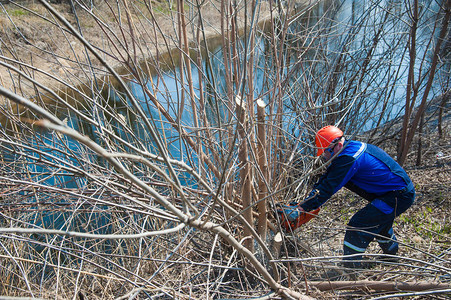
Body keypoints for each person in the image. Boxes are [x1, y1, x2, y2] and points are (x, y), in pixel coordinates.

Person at [282, 125, 416, 268]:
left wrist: (302, 208)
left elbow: (329, 187)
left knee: (358, 225)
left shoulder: (349, 159)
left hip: (398, 195)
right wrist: (304, 204)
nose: (325, 156)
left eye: (327, 152)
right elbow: (326, 180)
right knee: (379, 223)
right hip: (390, 193)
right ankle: (391, 258)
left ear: (338, 145)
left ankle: (350, 269)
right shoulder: (348, 150)